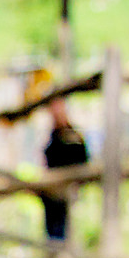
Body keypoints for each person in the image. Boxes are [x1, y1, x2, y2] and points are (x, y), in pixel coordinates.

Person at [39, 97, 87, 245]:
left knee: (65, 225)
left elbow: (82, 159)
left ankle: (64, 251)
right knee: (53, 227)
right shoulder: (51, 136)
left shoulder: (72, 136)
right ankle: (54, 249)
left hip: (66, 189)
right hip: (52, 191)